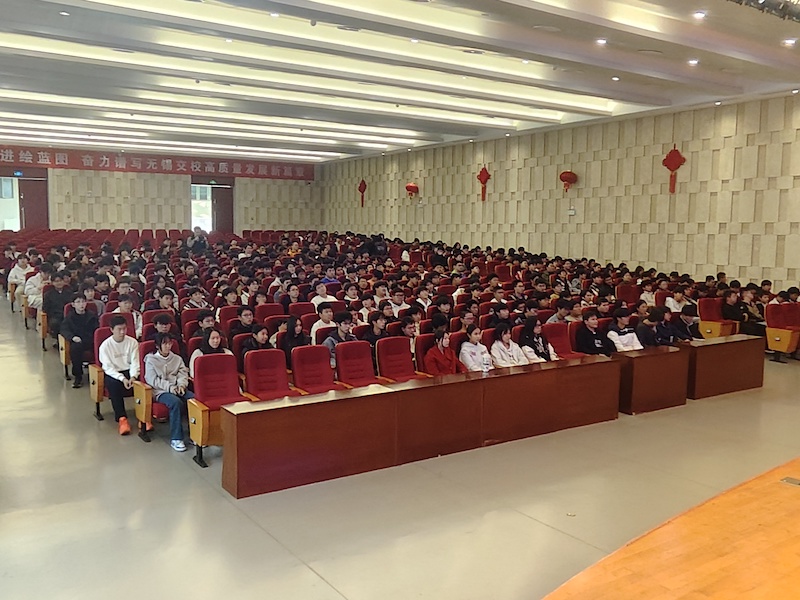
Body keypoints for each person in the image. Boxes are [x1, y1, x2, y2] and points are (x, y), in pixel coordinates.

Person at [143, 333, 194, 452]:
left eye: (169, 343)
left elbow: (183, 374)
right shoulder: (151, 360)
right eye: (164, 344)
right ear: (158, 346)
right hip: (160, 391)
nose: (168, 346)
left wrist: (181, 385)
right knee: (175, 402)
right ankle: (176, 438)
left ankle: (194, 434)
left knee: (193, 400)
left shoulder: (177, 358)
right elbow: (152, 380)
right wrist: (170, 388)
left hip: (178, 388)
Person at [98, 315, 140, 435]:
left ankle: (143, 417)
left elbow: (135, 362)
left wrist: (133, 377)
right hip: (114, 374)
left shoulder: (132, 342)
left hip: (129, 371)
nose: (122, 332)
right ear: (112, 330)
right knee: (113, 384)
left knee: (142, 383)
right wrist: (122, 379)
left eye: (124, 329)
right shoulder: (105, 346)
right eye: (119, 329)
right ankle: (122, 418)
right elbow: (108, 368)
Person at [60, 295, 99, 387]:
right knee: (75, 349)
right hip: (77, 341)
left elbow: (97, 329)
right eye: (78, 302)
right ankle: (78, 376)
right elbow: (64, 330)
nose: (81, 304)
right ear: (73, 304)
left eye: (83, 302)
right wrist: (72, 337)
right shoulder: (70, 317)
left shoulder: (92, 315)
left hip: (91, 340)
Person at [42, 272, 72, 344]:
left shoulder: (69, 293)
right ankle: (59, 341)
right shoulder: (48, 295)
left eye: (61, 280)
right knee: (55, 323)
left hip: (68, 315)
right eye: (56, 281)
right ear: (52, 283)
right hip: (55, 316)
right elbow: (45, 308)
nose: (59, 283)